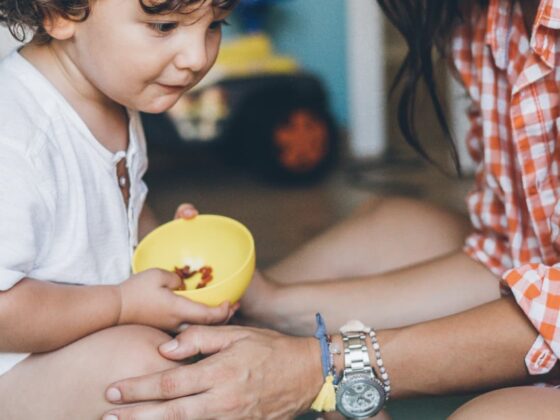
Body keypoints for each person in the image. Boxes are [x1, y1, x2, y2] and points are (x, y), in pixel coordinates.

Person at [101, 0, 560, 419]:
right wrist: (269, 301)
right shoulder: (489, 17)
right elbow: (515, 249)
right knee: (400, 225)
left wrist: (326, 365)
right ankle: (258, 324)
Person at [0, 0, 239, 418]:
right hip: (13, 366)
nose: (198, 57)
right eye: (164, 26)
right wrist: (121, 305)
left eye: (215, 25)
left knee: (222, 351)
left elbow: (123, 202)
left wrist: (165, 250)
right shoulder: (16, 139)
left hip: (77, 342)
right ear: (58, 13)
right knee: (147, 368)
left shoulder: (112, 88)